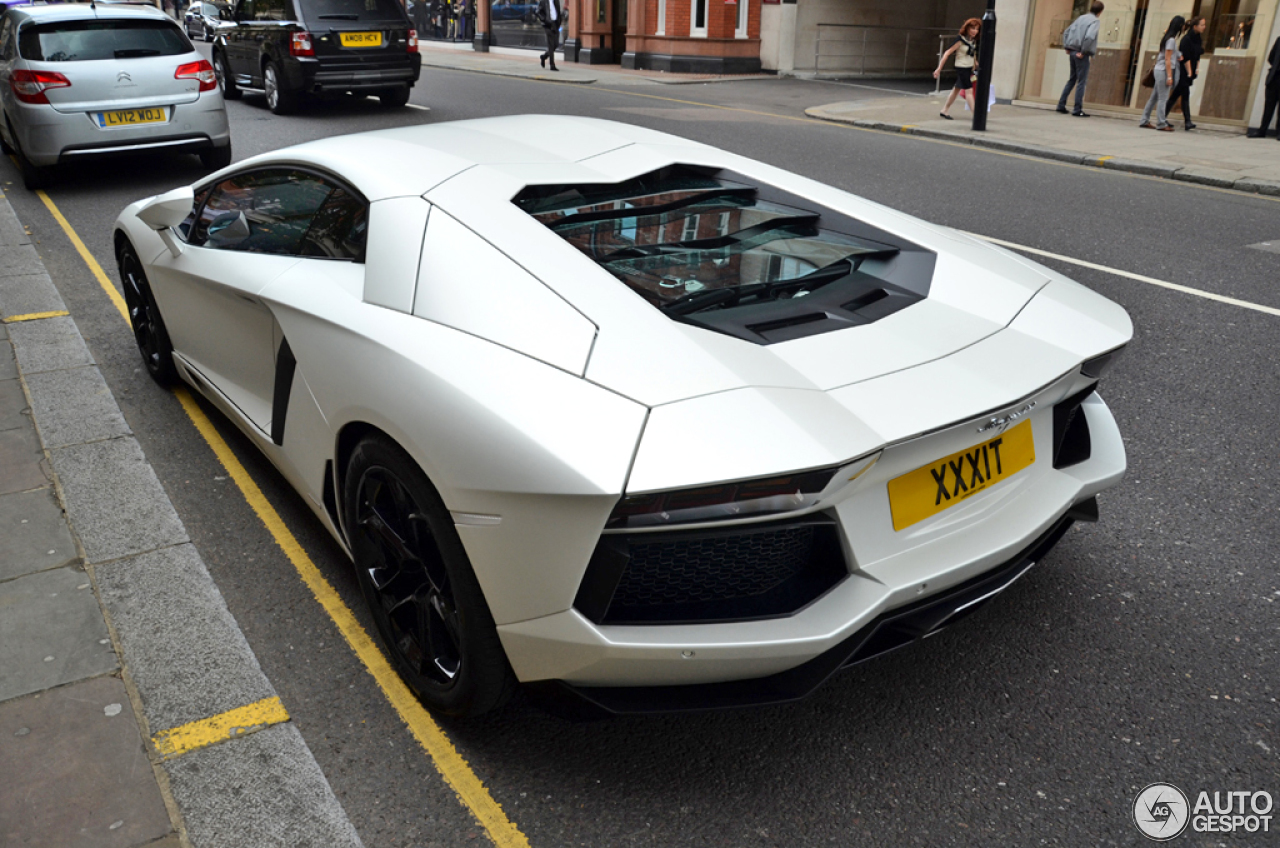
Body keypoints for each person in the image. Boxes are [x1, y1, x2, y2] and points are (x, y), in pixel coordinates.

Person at [1057, 1, 1104, 117]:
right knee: (1081, 81)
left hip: (1072, 51)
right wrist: (1083, 52)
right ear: (1100, 12)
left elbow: (1067, 31)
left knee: (1072, 79)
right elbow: (1089, 37)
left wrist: (1067, 46)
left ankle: (1061, 105)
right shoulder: (1095, 21)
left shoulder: (1081, 18)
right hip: (1080, 53)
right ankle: (1077, 109)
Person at [1139, 15, 1185, 132]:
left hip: (1159, 70)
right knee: (1163, 98)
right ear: (1179, 26)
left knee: (1154, 97)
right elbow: (1167, 59)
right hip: (1163, 71)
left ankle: (1145, 120)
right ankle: (1161, 123)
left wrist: (1178, 55)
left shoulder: (1167, 38)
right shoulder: (1170, 40)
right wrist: (1170, 76)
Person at [933, 18, 981, 120]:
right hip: (961, 68)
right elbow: (947, 53)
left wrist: (976, 64)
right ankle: (976, 116)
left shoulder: (973, 41)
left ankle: (944, 110)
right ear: (967, 28)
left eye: (977, 29)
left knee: (956, 90)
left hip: (969, 68)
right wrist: (939, 69)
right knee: (969, 90)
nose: (975, 31)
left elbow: (973, 55)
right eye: (973, 28)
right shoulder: (960, 40)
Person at [1166, 16, 1206, 130]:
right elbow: (1185, 57)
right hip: (1184, 71)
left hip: (1191, 70)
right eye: (1202, 25)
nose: (1204, 27)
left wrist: (1196, 69)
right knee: (1185, 94)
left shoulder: (1198, 39)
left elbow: (1198, 54)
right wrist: (1189, 72)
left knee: (1176, 95)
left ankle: (1163, 116)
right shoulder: (1186, 39)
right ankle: (1187, 121)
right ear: (1195, 26)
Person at [1247, 35, 1280, 138]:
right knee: (1268, 106)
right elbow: (1271, 57)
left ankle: (1279, 132)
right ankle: (1262, 130)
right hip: (1274, 77)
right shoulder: (1279, 40)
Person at [536, 0, 561, 71]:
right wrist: (544, 20)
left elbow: (558, 12)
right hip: (548, 25)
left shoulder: (556, 1)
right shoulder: (543, 1)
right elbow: (538, 11)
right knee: (551, 45)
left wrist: (559, 22)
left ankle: (544, 57)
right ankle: (552, 65)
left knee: (556, 44)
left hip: (555, 25)